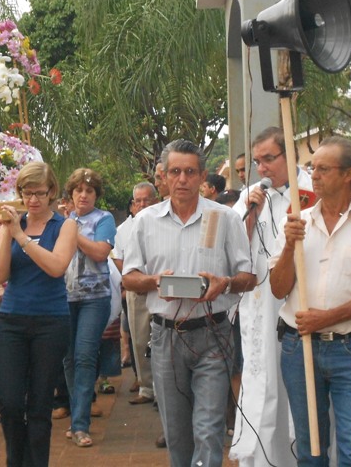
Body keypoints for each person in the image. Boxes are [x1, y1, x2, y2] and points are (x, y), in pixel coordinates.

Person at [123, 139, 255, 467]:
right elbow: (129, 278)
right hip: (165, 336)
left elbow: (248, 277)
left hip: (213, 332)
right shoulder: (145, 221)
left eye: (190, 172)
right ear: (163, 177)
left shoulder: (225, 218)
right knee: (177, 432)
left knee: (209, 428)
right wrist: (155, 282)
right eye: (175, 172)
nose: (182, 179)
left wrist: (225, 282)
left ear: (202, 176)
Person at [269, 136, 351, 466]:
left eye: (324, 168)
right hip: (299, 348)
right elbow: (277, 287)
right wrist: (288, 246)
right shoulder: (295, 224)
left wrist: (324, 318)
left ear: (348, 174)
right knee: (311, 448)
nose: (314, 175)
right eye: (313, 167)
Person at [230, 126, 311, 467]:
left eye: (269, 159)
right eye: (258, 162)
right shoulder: (251, 195)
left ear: (288, 154)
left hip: (298, 301)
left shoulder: (308, 191)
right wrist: (249, 213)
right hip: (261, 304)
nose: (262, 168)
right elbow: (231, 248)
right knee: (262, 378)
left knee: (296, 381)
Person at [0, 162, 77, 466]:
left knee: (40, 406)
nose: (33, 200)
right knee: (11, 403)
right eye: (27, 194)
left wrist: (22, 238)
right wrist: (7, 233)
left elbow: (56, 267)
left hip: (50, 321)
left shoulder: (65, 225)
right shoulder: (12, 224)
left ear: (52, 191)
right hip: (12, 319)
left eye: (40, 193)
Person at [62, 167, 117, 448]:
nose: (83, 195)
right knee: (68, 359)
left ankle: (80, 424)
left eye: (89, 191)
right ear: (71, 194)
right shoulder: (60, 220)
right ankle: (78, 417)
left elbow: (100, 252)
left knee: (84, 356)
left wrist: (72, 232)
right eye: (79, 191)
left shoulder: (103, 218)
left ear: (96, 195)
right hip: (64, 298)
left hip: (95, 298)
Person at [112, 182, 159, 407]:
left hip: (162, 291)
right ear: (132, 205)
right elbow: (118, 258)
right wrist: (135, 279)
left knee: (161, 341)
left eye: (146, 200)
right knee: (139, 341)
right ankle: (146, 387)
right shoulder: (123, 230)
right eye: (137, 201)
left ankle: (163, 391)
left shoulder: (162, 223)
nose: (141, 205)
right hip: (136, 290)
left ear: (156, 201)